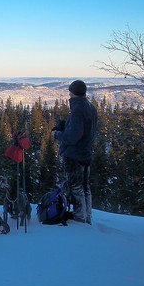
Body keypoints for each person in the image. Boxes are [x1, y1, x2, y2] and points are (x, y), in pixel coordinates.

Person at [52, 80, 98, 224]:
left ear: (73, 92)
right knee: (85, 186)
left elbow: (72, 137)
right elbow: (84, 131)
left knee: (76, 186)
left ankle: (80, 217)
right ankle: (87, 215)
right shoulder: (90, 107)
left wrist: (57, 134)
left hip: (74, 154)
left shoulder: (78, 109)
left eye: (70, 91)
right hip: (85, 153)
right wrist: (66, 126)